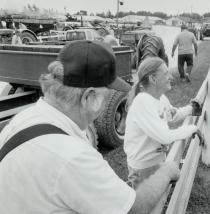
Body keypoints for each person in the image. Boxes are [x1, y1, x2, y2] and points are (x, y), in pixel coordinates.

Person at [0, 40, 180, 214]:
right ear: (89, 97)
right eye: (108, 95)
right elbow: (134, 209)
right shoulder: (74, 157)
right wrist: (166, 171)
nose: (105, 105)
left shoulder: (22, 120)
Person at [124, 57, 201, 188]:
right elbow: (165, 137)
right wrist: (191, 129)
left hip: (156, 163)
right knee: (146, 207)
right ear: (153, 79)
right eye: (166, 73)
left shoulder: (160, 98)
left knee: (158, 197)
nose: (170, 76)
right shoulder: (142, 101)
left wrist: (191, 109)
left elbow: (173, 114)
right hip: (143, 169)